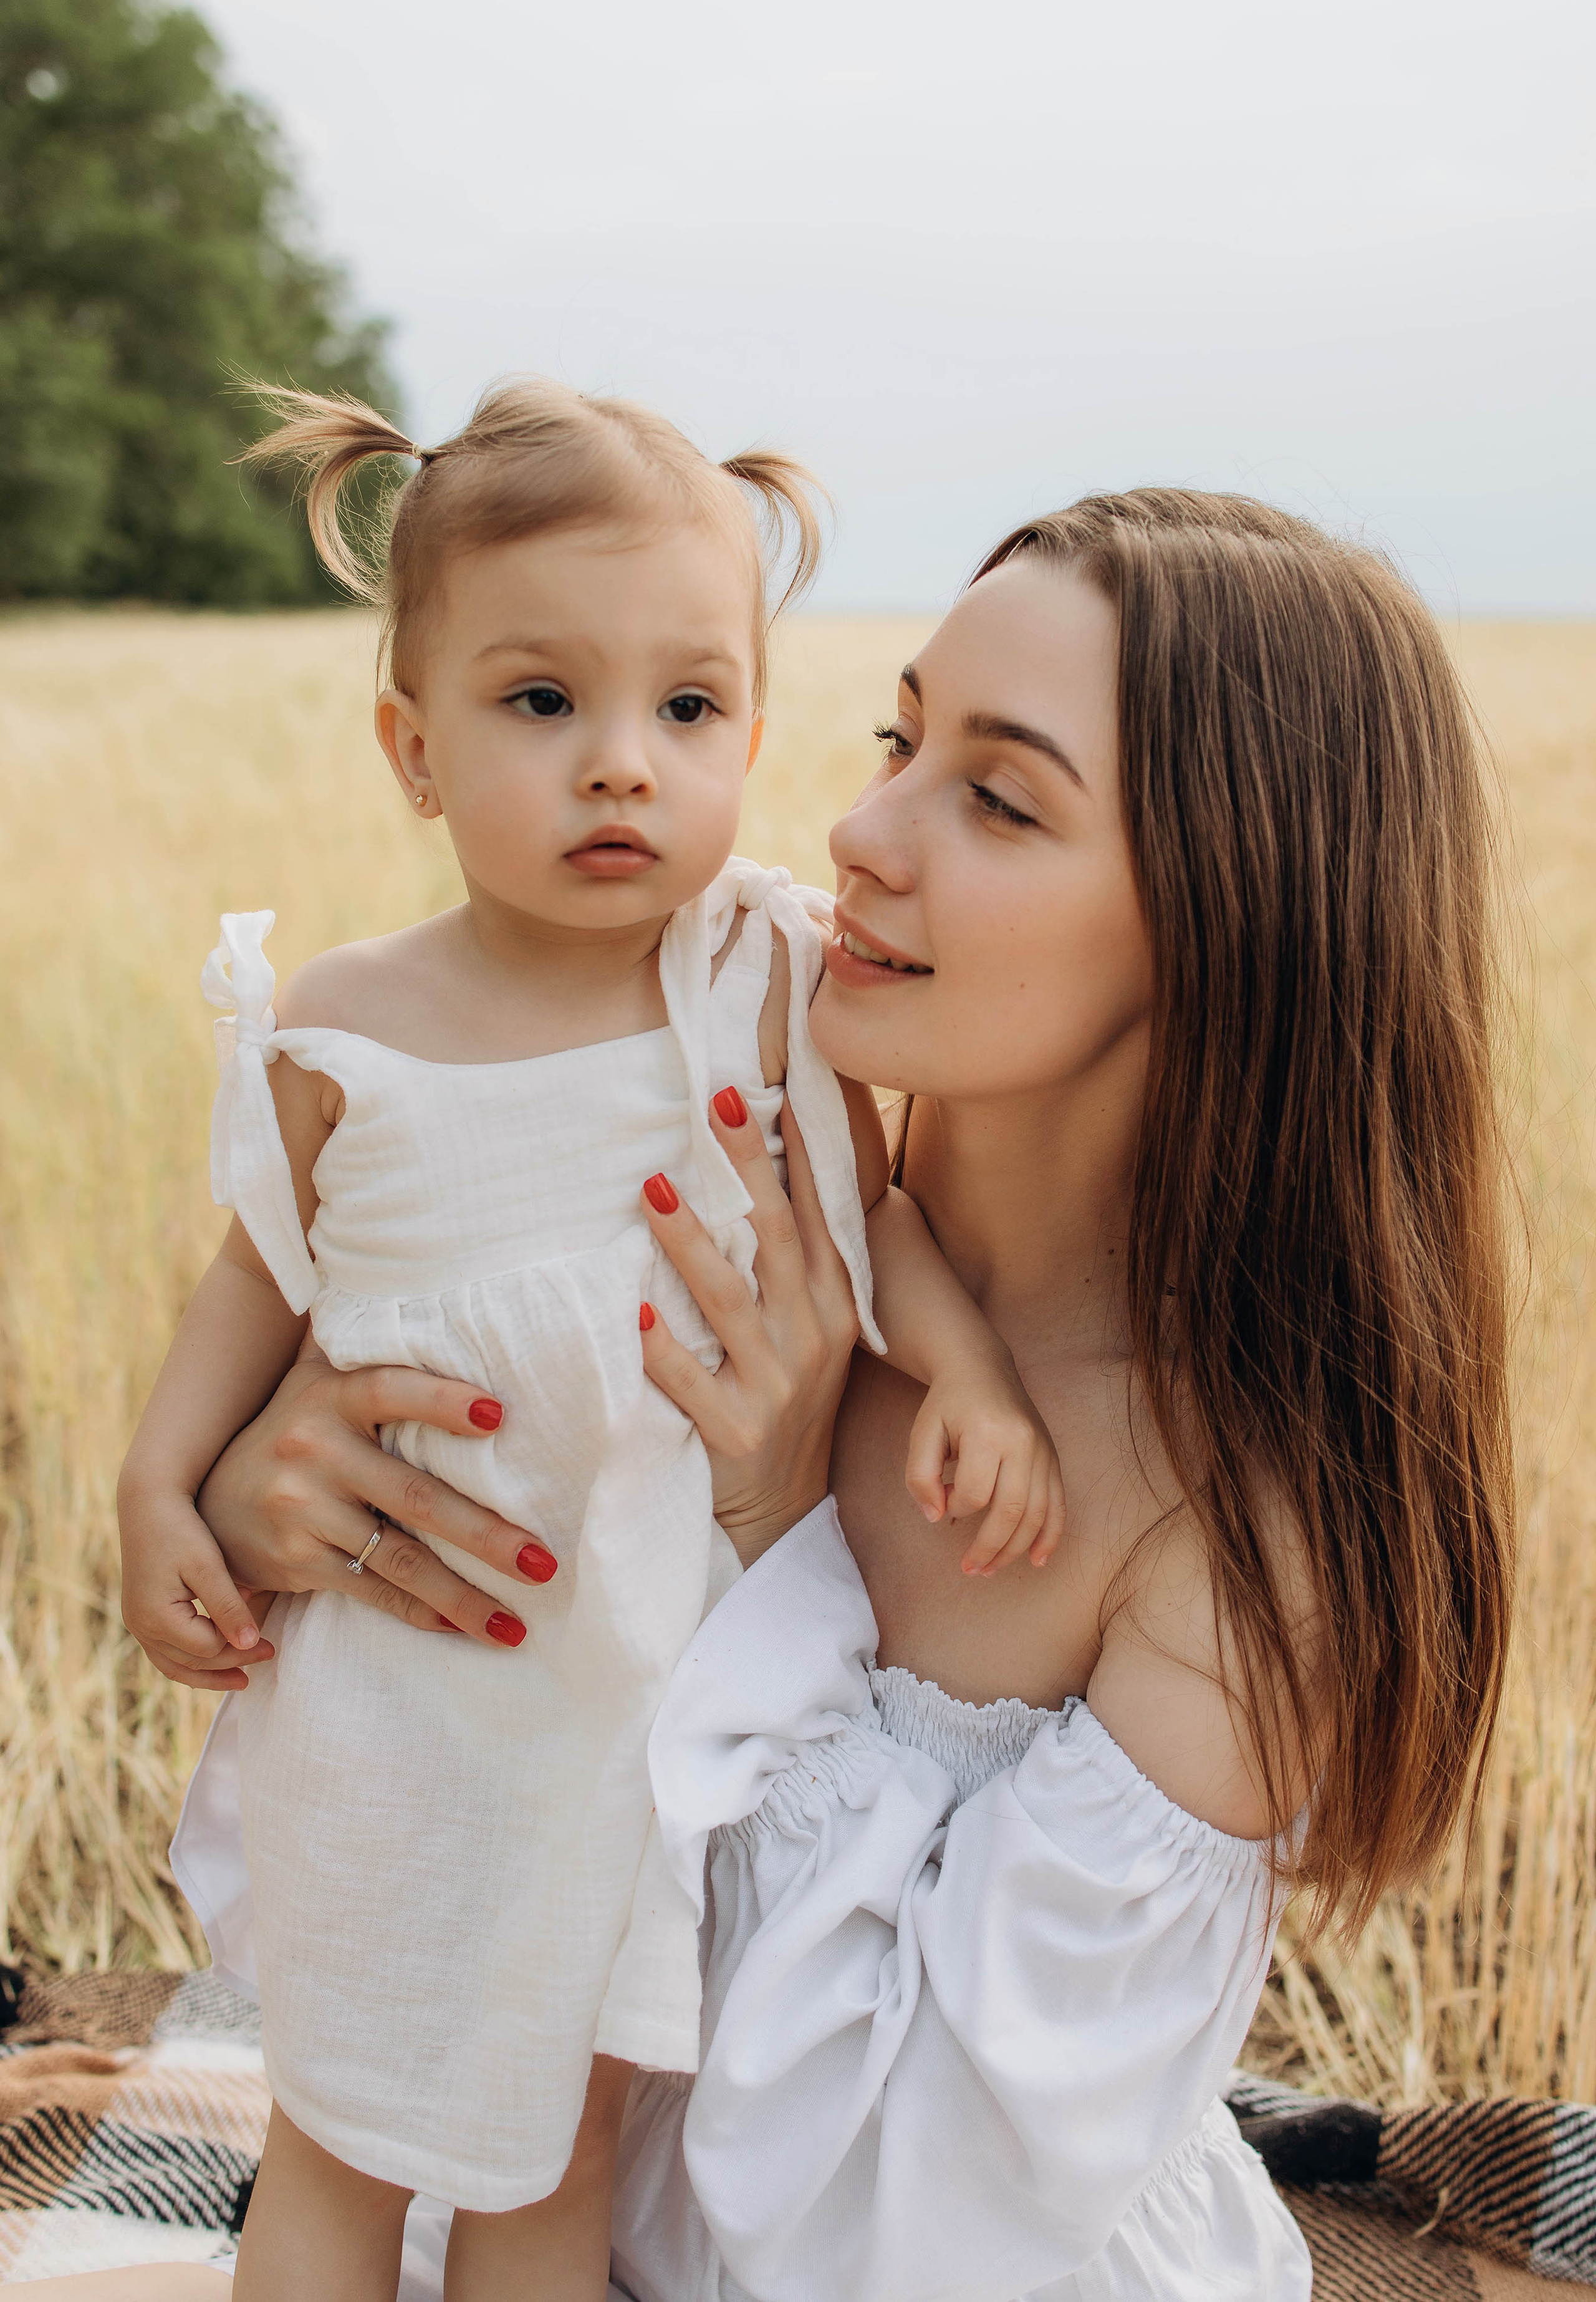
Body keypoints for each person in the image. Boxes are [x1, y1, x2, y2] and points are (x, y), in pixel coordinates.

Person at [108, 486, 1513, 2302]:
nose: (855, 832)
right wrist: (261, 1505)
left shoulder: (1226, 1534)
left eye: (998, 798)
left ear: (1238, 923)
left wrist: (777, 1527)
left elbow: (892, 2222)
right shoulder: (704, 1240)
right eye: (898, 738)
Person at [114, 381, 1065, 2302]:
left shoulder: (758, 977)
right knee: (341, 2125)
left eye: (689, 709)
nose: (623, 765)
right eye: (542, 703)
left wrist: (963, 1368)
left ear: (753, 732)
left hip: (631, 1687)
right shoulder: (349, 1022)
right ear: (415, 749)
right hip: (401, 1682)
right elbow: (259, 1283)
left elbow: (867, 1213)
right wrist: (159, 1484)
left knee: (560, 2143)